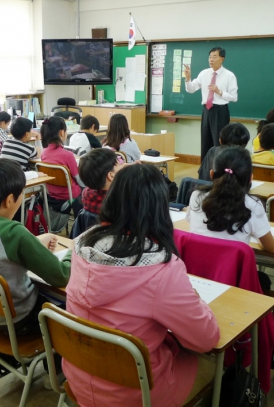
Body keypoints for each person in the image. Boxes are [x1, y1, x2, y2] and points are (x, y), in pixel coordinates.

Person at [65, 164, 220, 407]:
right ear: (160, 208)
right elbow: (206, 338)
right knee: (214, 366)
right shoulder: (162, 269)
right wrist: (195, 297)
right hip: (138, 395)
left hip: (80, 379)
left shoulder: (82, 245)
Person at [0, 158, 70, 335]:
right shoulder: (14, 233)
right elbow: (61, 276)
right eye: (22, 192)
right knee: (73, 307)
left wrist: (36, 243)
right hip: (22, 318)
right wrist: (73, 253)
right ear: (10, 200)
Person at [187, 146, 274, 252]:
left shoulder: (197, 196)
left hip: (196, 266)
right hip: (231, 268)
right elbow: (271, 247)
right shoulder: (253, 205)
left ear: (211, 174)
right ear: (250, 178)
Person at [185, 46, 238, 163]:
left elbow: (234, 97)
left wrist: (219, 91)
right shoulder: (204, 73)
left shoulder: (229, 75)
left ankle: (219, 168)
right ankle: (205, 170)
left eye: (215, 57)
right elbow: (191, 89)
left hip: (220, 111)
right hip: (206, 110)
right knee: (205, 141)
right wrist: (188, 79)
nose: (211, 59)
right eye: (210, 57)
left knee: (218, 142)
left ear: (222, 59)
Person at [41, 116, 85, 216]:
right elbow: (78, 179)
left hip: (52, 194)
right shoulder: (68, 155)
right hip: (69, 195)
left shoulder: (44, 153)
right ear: (61, 132)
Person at [78, 148, 124, 215]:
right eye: (119, 164)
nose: (123, 166)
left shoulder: (86, 193)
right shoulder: (120, 200)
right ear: (111, 176)